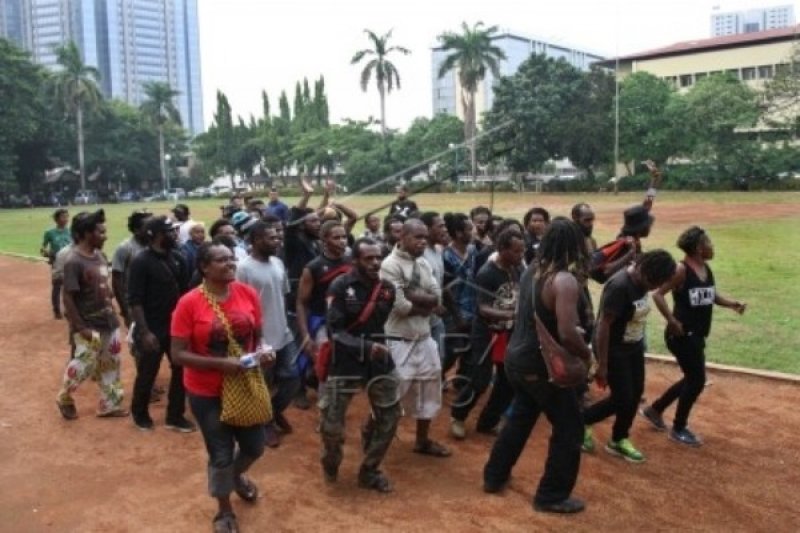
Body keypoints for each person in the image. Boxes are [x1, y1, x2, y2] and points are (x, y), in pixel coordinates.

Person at [483, 218, 593, 514]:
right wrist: (588, 355)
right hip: (541, 365)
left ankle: (494, 476)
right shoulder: (564, 280)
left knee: (521, 416)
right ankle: (551, 495)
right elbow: (568, 333)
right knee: (570, 427)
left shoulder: (531, 269)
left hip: (517, 360)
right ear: (575, 246)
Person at [171, 242, 270, 533]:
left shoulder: (247, 293)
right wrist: (220, 364)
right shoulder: (189, 303)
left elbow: (258, 335)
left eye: (231, 258)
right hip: (206, 391)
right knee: (221, 453)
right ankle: (224, 512)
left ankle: (235, 477)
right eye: (221, 260)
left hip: (245, 383)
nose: (230, 263)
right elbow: (178, 354)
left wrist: (264, 350)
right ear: (204, 267)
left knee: (255, 446)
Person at [641, 227, 746, 446]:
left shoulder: (705, 268)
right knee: (697, 380)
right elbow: (658, 294)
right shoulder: (682, 269)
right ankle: (678, 428)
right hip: (681, 336)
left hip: (696, 334)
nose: (712, 246)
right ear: (699, 248)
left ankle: (655, 409)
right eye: (709, 242)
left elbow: (710, 294)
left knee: (692, 377)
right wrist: (672, 321)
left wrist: (731, 304)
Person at [320, 238, 400, 492]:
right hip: (345, 363)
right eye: (369, 258)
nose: (376, 262)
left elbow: (379, 324)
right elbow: (336, 331)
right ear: (355, 261)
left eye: (378, 257)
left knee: (390, 417)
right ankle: (331, 460)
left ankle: (370, 470)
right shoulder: (340, 286)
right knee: (331, 426)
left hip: (379, 363)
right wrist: (366, 347)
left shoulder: (387, 289)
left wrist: (375, 349)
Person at [583, 250, 677, 463]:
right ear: (644, 270)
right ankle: (582, 420)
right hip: (613, 349)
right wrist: (603, 365)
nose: (654, 287)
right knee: (622, 398)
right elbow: (603, 326)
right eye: (654, 282)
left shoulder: (643, 282)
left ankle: (618, 439)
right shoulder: (620, 286)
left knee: (635, 394)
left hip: (632, 347)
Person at [380, 219, 451, 458]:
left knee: (429, 390)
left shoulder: (423, 262)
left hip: (424, 337)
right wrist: (426, 303)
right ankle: (372, 435)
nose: (422, 241)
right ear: (402, 237)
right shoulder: (390, 265)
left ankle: (422, 441)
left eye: (424, 237)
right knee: (392, 395)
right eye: (417, 237)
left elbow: (438, 297)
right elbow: (399, 306)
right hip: (398, 340)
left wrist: (416, 298)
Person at [450, 229, 524, 439]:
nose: (521, 255)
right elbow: (483, 308)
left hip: (508, 333)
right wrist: (513, 313)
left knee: (508, 380)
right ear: (502, 250)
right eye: (516, 251)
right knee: (480, 379)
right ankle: (458, 416)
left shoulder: (515, 268)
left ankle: (488, 421)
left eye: (522, 251)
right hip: (487, 333)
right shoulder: (487, 273)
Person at [56, 210, 128, 420]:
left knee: (111, 363)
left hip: (109, 320)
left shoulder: (100, 256)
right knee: (83, 365)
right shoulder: (73, 261)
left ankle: (109, 405)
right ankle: (65, 397)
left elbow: (102, 284)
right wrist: (81, 327)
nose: (105, 236)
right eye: (101, 232)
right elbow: (68, 298)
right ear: (87, 233)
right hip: (88, 325)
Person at [236, 222, 301, 448]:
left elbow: (282, 297)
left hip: (283, 333)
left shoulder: (278, 263)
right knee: (262, 384)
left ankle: (272, 412)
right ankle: (265, 423)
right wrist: (253, 340)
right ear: (254, 241)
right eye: (271, 238)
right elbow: (240, 307)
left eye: (277, 237)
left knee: (292, 379)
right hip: (259, 339)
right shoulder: (243, 268)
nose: (277, 241)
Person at [127, 216, 195, 432]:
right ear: (155, 235)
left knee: (181, 370)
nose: (174, 235)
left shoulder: (178, 257)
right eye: (169, 231)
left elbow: (185, 294)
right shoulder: (141, 262)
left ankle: (175, 416)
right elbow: (134, 301)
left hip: (177, 328)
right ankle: (140, 414)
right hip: (151, 327)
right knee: (148, 372)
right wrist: (144, 332)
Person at [295, 220, 351, 373]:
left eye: (344, 237)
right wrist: (306, 335)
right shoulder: (313, 267)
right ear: (324, 240)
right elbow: (301, 303)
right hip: (323, 324)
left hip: (350, 323)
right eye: (336, 238)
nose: (342, 241)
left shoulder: (352, 261)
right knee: (325, 368)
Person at [590, 204, 654, 283]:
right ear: (641, 228)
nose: (650, 227)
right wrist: (630, 254)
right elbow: (606, 271)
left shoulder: (634, 241)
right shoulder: (626, 244)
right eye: (648, 225)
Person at [111, 210, 152, 326]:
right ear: (137, 230)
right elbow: (117, 281)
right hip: (134, 304)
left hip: (152, 302)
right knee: (139, 337)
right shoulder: (125, 248)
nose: (151, 230)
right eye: (147, 227)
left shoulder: (154, 246)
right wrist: (125, 310)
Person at [41, 208, 71, 319]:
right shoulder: (49, 233)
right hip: (57, 263)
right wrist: (47, 253)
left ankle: (69, 310)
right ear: (57, 219)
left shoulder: (71, 231)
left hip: (70, 262)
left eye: (67, 216)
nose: (66, 219)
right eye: (63, 217)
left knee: (70, 287)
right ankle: (57, 310)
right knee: (57, 286)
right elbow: (43, 248)